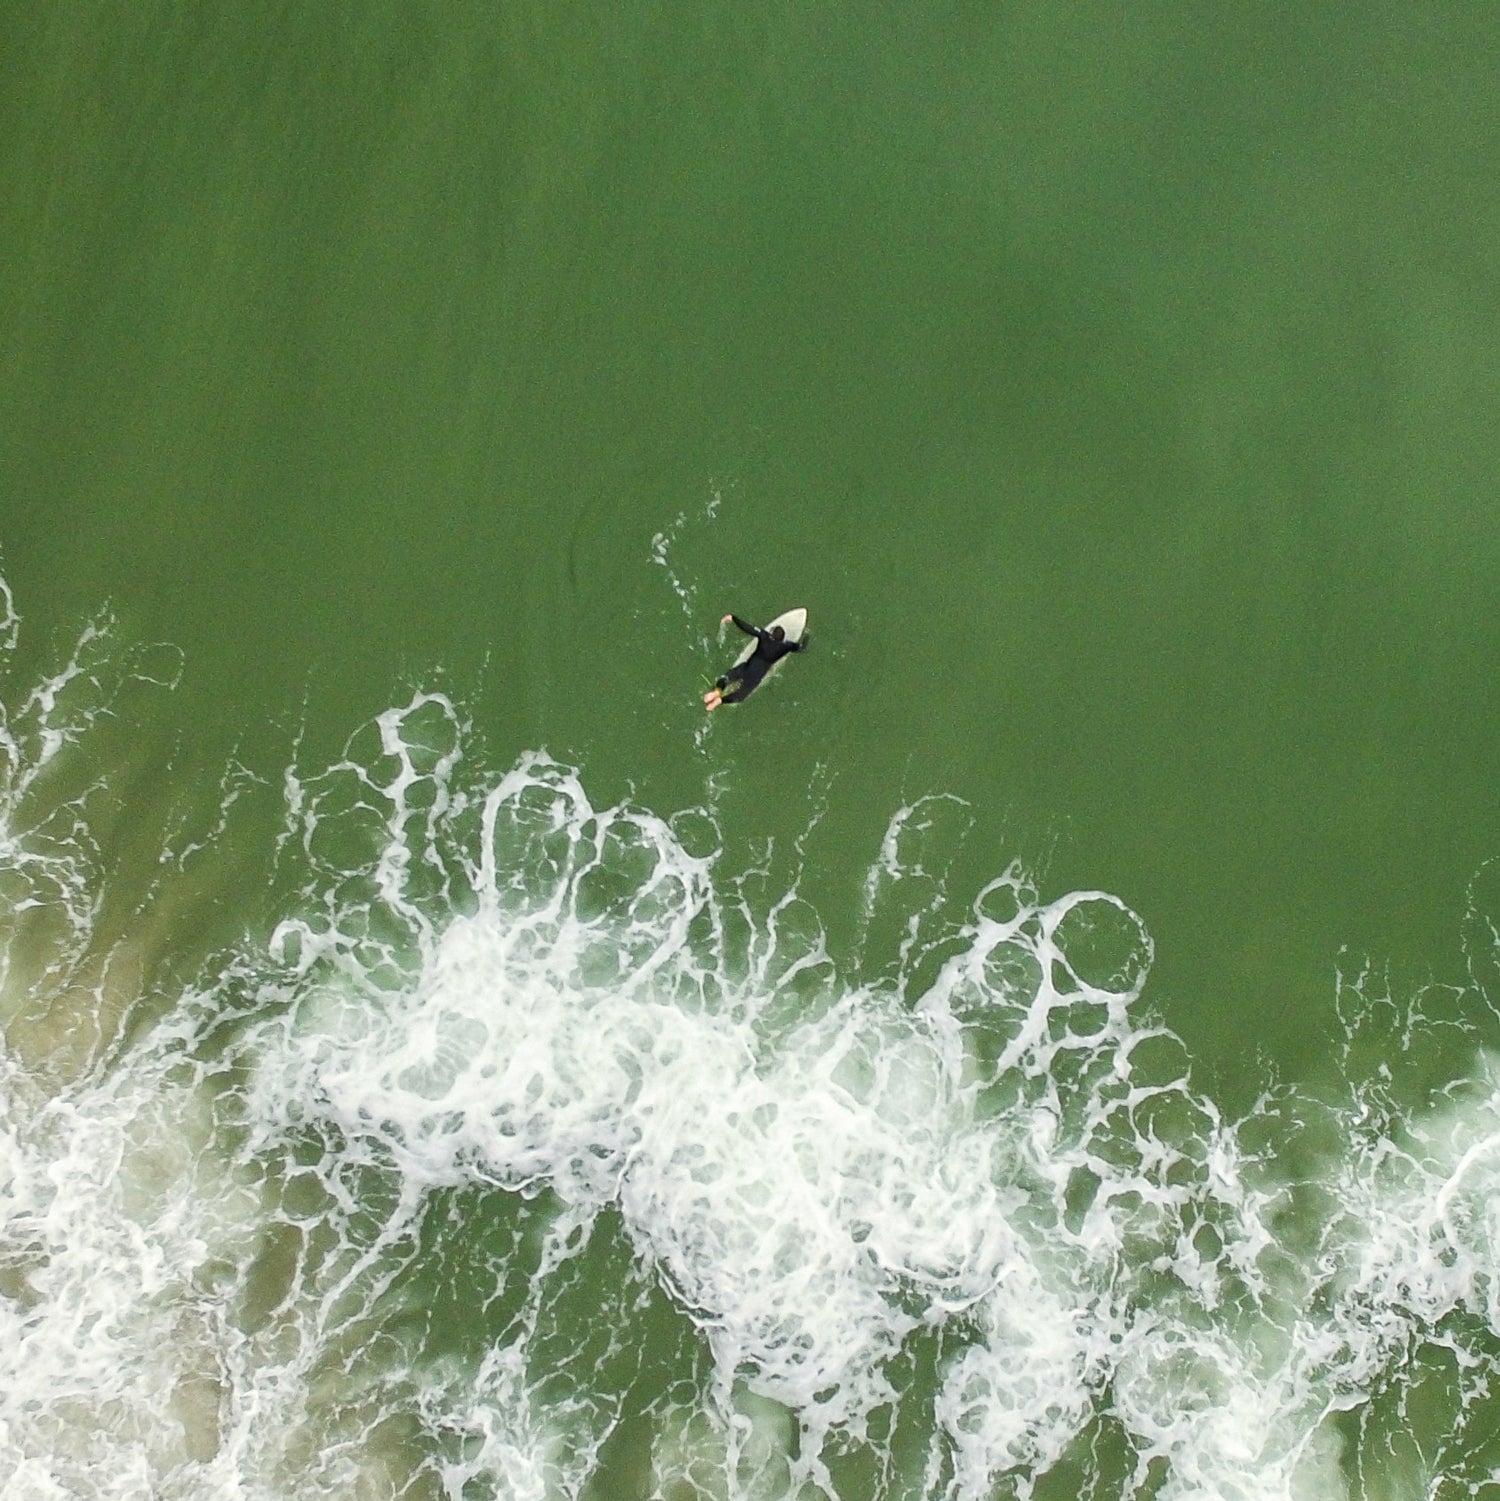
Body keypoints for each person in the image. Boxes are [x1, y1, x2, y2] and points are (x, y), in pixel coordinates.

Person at [703, 613, 806, 710]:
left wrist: (733, 618)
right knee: (740, 696)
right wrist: (807, 637)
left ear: (771, 633)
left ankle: (717, 691)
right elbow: (801, 648)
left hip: (746, 667)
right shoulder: (785, 646)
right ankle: (720, 700)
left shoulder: (764, 636)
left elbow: (748, 628)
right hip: (755, 677)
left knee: (726, 677)